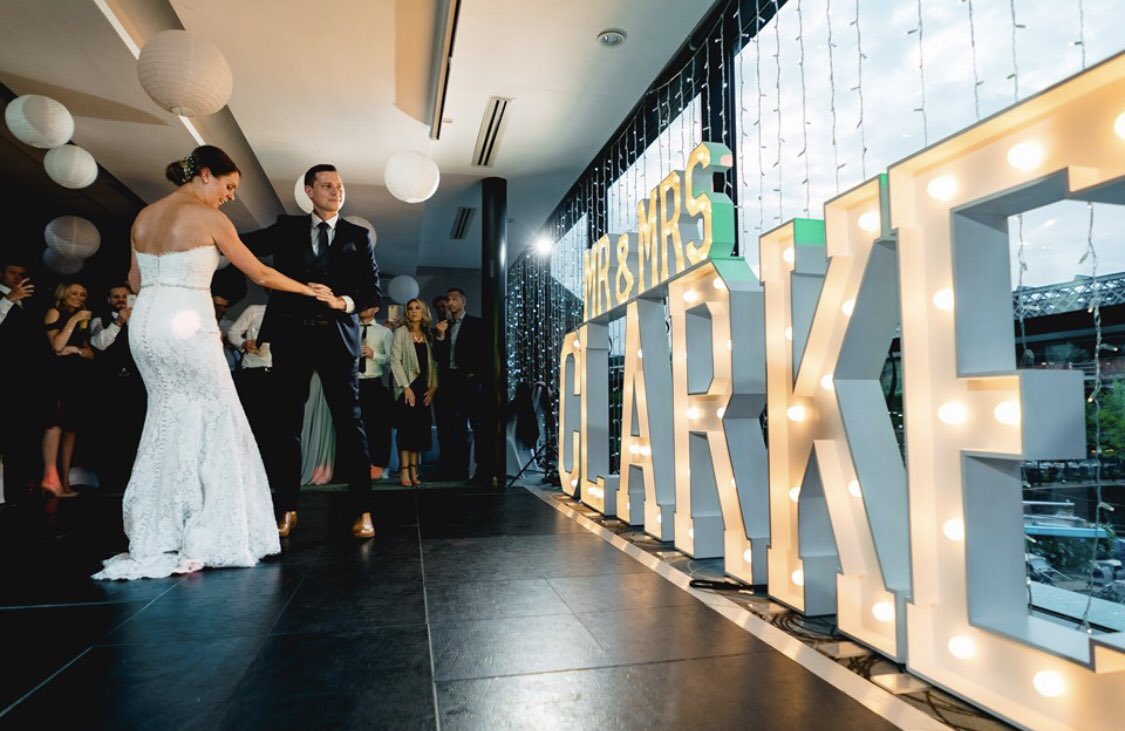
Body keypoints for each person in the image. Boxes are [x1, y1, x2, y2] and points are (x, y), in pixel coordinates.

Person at [93, 145, 334, 581]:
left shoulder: (143, 217)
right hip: (187, 324)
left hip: (147, 324)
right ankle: (212, 527)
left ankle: (161, 526)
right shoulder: (211, 220)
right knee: (218, 413)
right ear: (205, 174)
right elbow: (259, 274)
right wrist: (308, 290)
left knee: (167, 415)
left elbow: (133, 281)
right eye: (228, 186)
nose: (230, 196)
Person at [242, 163, 381, 539]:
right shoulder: (286, 228)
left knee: (350, 425)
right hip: (292, 338)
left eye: (339, 185)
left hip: (338, 339)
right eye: (327, 185)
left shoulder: (358, 235)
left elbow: (372, 292)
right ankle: (286, 508)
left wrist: (343, 303)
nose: (337, 191)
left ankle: (363, 509)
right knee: (286, 423)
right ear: (308, 191)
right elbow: (244, 243)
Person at [41, 281, 95, 498]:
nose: (79, 297)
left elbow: (90, 353)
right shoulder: (55, 312)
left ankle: (64, 481)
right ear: (64, 294)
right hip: (57, 376)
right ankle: (50, 479)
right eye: (74, 293)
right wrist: (73, 320)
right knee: (55, 425)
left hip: (76, 376)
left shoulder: (84, 318)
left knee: (71, 428)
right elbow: (56, 345)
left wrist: (75, 350)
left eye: (83, 294)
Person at [90, 283, 146, 491]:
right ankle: (111, 483)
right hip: (109, 386)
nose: (121, 300)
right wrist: (118, 322)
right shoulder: (99, 320)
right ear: (109, 300)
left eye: (125, 296)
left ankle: (134, 483)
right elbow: (100, 343)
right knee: (110, 433)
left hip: (136, 385)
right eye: (116, 296)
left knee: (135, 432)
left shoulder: (142, 320)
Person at [0, 260, 47, 504]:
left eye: (22, 273)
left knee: (23, 433)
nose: (18, 277)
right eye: (13, 273)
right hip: (4, 377)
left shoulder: (28, 302)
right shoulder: (6, 299)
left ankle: (21, 489)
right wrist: (8, 300)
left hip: (24, 380)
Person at [433, 287, 486, 483]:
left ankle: (482, 471)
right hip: (451, 382)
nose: (451, 302)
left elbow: (483, 353)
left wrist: (476, 374)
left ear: (463, 302)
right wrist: (439, 336)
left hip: (471, 381)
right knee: (456, 427)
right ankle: (458, 470)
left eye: (455, 299)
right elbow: (438, 358)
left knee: (478, 425)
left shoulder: (476, 324)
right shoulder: (443, 326)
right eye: (449, 299)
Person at [389, 298, 438, 487]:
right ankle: (404, 471)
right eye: (410, 308)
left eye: (418, 308)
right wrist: (405, 387)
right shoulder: (401, 332)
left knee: (420, 431)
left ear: (424, 311)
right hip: (406, 388)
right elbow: (395, 361)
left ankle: (414, 470)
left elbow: (434, 364)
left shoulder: (428, 334)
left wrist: (433, 387)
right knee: (406, 431)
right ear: (407, 313)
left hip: (424, 388)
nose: (414, 311)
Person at [226, 303, 274, 465]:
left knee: (273, 427)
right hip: (254, 371)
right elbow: (233, 332)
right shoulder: (255, 310)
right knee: (251, 423)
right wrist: (243, 344)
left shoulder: (293, 316)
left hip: (279, 373)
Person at [357, 306, 394, 479]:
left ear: (376, 309)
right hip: (352, 385)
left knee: (378, 428)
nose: (362, 308)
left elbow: (391, 360)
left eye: (367, 305)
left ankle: (379, 467)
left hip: (374, 383)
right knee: (354, 428)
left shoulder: (384, 332)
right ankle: (357, 468)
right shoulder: (350, 329)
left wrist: (374, 355)